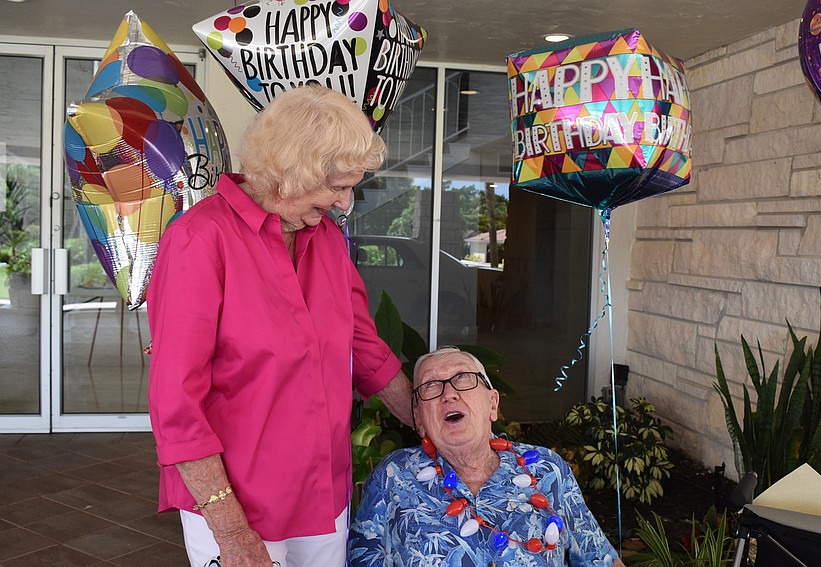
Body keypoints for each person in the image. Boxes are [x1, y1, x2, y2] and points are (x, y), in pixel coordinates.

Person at [147, 84, 412, 567]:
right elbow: (176, 405)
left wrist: (435, 420)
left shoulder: (327, 239)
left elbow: (364, 346)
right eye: (336, 186)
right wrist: (231, 532)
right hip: (240, 503)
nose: (344, 203)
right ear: (289, 173)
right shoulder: (199, 240)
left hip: (322, 492)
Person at [349, 347, 626, 567]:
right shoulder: (393, 476)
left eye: (462, 378)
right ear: (420, 420)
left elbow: (600, 559)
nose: (449, 394)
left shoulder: (547, 470)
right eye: (431, 385)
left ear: (492, 404)